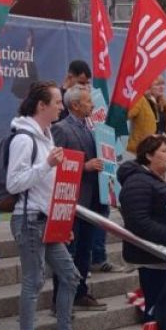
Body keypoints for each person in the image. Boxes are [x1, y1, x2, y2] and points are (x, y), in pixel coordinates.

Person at [6, 81, 94, 330]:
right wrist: (46, 165)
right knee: (33, 282)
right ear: (41, 106)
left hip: (47, 220)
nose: (61, 106)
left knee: (71, 276)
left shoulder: (46, 136)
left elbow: (50, 186)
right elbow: (14, 182)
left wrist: (61, 221)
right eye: (56, 102)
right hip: (30, 219)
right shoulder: (24, 139)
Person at [118, 135, 166, 321]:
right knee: (157, 311)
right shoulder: (137, 182)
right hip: (152, 255)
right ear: (149, 156)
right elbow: (139, 222)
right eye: (164, 151)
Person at [51, 85, 107, 311]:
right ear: (74, 105)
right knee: (68, 252)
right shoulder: (61, 129)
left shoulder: (91, 128)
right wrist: (84, 167)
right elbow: (56, 164)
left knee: (85, 250)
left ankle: (81, 292)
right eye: (87, 102)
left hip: (92, 199)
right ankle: (60, 300)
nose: (92, 105)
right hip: (72, 200)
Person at [127, 75, 166, 153]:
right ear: (148, 85)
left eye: (163, 84)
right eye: (157, 84)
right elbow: (126, 115)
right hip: (142, 150)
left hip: (162, 150)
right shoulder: (141, 100)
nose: (161, 87)